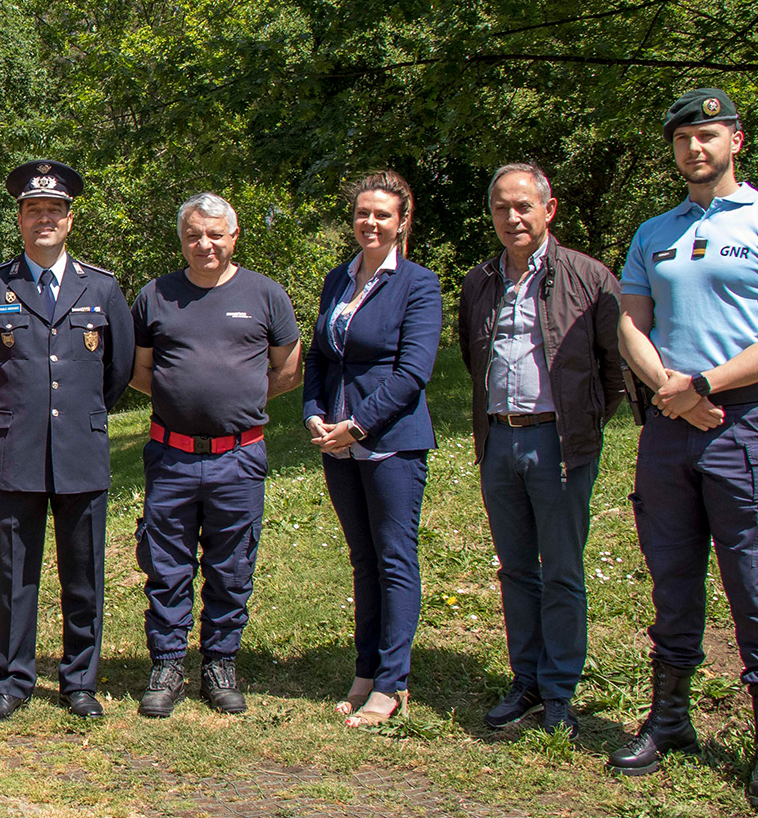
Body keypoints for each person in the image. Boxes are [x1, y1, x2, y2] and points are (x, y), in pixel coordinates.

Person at [610, 88, 758, 811]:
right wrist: (671, 388)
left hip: (741, 426)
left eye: (708, 134)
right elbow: (631, 323)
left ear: (737, 140)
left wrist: (702, 385)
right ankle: (669, 719)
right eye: (683, 138)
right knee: (671, 579)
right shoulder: (653, 232)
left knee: (754, 585)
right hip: (669, 430)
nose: (695, 148)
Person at [0, 161, 134, 722]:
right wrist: (16, 415)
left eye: (53, 211)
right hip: (15, 448)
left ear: (69, 220)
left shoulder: (101, 287)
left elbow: (118, 369)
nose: (44, 220)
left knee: (84, 569)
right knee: (15, 572)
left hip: (81, 450)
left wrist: (77, 417)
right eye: (34, 211)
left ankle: (79, 679)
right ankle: (11, 679)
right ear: (20, 219)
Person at [458, 164, 625, 737]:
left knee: (561, 570)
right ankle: (525, 680)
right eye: (502, 207)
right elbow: (469, 356)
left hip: (559, 441)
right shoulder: (479, 281)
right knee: (515, 570)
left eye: (523, 206)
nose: (512, 217)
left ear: (548, 210)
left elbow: (615, 366)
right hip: (499, 439)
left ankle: (559, 692)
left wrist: (580, 424)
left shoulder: (589, 277)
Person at [128, 193, 302, 718]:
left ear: (234, 235)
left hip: (239, 458)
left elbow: (288, 368)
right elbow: (140, 372)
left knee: (232, 564)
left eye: (215, 234)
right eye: (193, 235)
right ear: (181, 239)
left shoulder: (266, 294)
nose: (204, 244)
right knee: (166, 563)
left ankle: (220, 664)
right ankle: (168, 664)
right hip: (172, 455)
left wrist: (242, 401)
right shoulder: (155, 296)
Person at [304, 171, 442, 728]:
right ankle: (365, 669)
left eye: (383, 214)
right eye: (363, 213)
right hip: (335, 440)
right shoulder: (337, 279)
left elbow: (413, 372)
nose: (371, 223)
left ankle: (392, 682)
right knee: (363, 560)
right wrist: (314, 412)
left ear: (402, 222)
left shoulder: (418, 284)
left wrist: (357, 426)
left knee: (394, 558)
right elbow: (319, 355)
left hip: (390, 442)